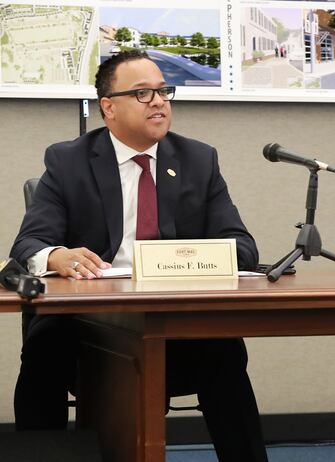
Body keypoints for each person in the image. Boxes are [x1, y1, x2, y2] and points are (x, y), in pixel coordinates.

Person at [10, 50, 268, 462]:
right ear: (108, 107)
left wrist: (187, 258)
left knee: (222, 347)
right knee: (45, 346)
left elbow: (243, 247)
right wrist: (57, 255)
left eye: (164, 91)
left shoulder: (199, 160)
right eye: (143, 93)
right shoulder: (68, 160)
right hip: (87, 325)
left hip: (172, 318)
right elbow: (27, 246)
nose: (159, 102)